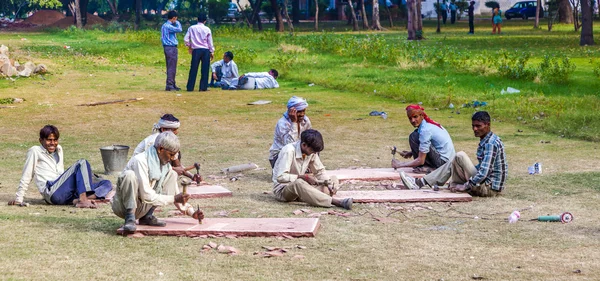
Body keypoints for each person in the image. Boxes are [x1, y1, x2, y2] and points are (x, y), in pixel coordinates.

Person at [399, 111, 508, 197]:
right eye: (473, 126)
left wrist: (466, 186)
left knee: (459, 155)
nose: (475, 129)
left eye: (478, 126)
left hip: (489, 188)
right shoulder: (488, 140)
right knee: (456, 159)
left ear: (487, 125)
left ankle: (419, 183)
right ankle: (429, 182)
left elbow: (484, 173)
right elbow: (482, 167)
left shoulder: (490, 144)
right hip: (485, 183)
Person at [8, 125, 112, 208]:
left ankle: (77, 200)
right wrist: (19, 199)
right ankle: (83, 200)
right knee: (82, 162)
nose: (53, 143)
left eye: (55, 140)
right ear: (41, 140)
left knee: (106, 183)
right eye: (49, 140)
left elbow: (62, 174)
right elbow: (27, 174)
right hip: (52, 192)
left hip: (65, 192)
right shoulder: (35, 151)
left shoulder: (59, 149)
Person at [112, 131, 191, 233]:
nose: (172, 159)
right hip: (122, 207)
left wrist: (192, 212)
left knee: (172, 174)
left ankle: (147, 217)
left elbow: (176, 195)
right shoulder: (140, 161)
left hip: (143, 206)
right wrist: (174, 198)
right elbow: (146, 195)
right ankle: (130, 218)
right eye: (171, 154)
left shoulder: (164, 166)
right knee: (129, 175)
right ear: (160, 149)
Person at [272, 129, 353, 209]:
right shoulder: (289, 151)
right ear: (304, 145)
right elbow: (280, 177)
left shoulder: (311, 152)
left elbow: (319, 172)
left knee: (333, 179)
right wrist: (302, 177)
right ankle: (337, 202)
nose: (314, 153)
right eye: (312, 150)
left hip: (303, 187)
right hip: (284, 190)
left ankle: (311, 195)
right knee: (299, 183)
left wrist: (329, 184)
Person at [132, 114, 201, 183]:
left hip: (154, 170)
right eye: (174, 130)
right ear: (163, 129)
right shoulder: (154, 141)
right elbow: (151, 165)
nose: (176, 132)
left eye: (177, 129)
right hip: (139, 173)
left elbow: (177, 165)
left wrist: (192, 177)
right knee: (172, 174)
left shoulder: (169, 142)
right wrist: (172, 169)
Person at [392, 104, 455, 174]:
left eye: (415, 117)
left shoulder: (425, 130)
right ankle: (430, 167)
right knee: (416, 135)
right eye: (410, 118)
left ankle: (431, 168)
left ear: (422, 116)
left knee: (414, 137)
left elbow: (420, 160)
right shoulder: (427, 124)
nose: (413, 120)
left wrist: (399, 165)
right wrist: (411, 153)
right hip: (448, 160)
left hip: (444, 163)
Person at [268, 96, 312, 168]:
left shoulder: (305, 120)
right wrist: (294, 122)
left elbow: (309, 139)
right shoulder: (282, 123)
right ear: (291, 112)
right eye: (299, 111)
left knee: (314, 144)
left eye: (303, 111)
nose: (302, 114)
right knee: (290, 150)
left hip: (298, 154)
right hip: (281, 156)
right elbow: (289, 145)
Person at [184, 13, 214, 92]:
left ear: (197, 19)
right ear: (205, 21)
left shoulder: (192, 28)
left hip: (196, 49)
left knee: (193, 68)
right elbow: (210, 42)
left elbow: (186, 39)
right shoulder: (207, 29)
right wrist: (212, 51)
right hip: (205, 50)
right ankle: (203, 87)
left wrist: (190, 46)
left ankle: (190, 87)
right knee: (205, 69)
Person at [161, 10, 183, 91]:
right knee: (172, 67)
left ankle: (172, 83)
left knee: (171, 66)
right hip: (171, 47)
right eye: (175, 18)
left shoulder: (164, 25)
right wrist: (177, 22)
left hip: (167, 47)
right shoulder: (168, 26)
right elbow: (179, 29)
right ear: (173, 18)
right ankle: (170, 85)